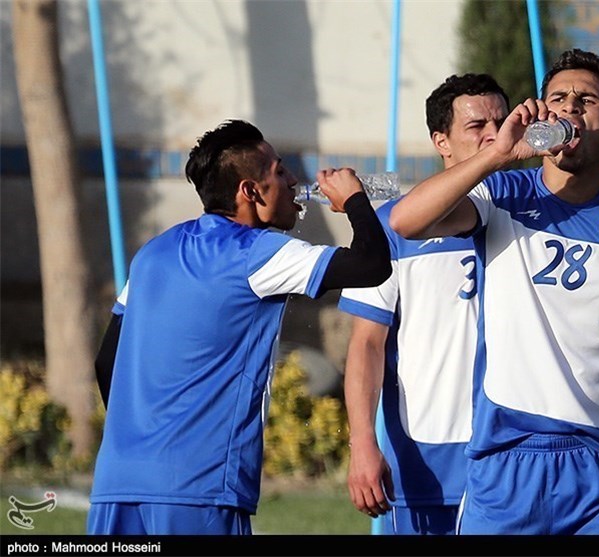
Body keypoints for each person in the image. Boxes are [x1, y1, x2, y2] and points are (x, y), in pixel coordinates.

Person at [389, 49, 599, 535]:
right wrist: (496, 155)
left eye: (586, 100)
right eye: (557, 98)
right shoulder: (502, 196)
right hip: (506, 464)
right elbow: (406, 221)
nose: (569, 107)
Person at [87, 119, 391, 535]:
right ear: (250, 191)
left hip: (116, 484)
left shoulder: (152, 254)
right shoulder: (257, 252)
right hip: (198, 489)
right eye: (280, 172)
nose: (292, 181)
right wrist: (355, 199)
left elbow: (107, 363)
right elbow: (372, 265)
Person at [337, 74, 510, 535]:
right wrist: (362, 444)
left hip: (517, 458)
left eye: (500, 122)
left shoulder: (531, 218)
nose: (494, 136)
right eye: (477, 126)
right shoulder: (394, 227)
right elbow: (366, 344)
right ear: (441, 141)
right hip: (426, 464)